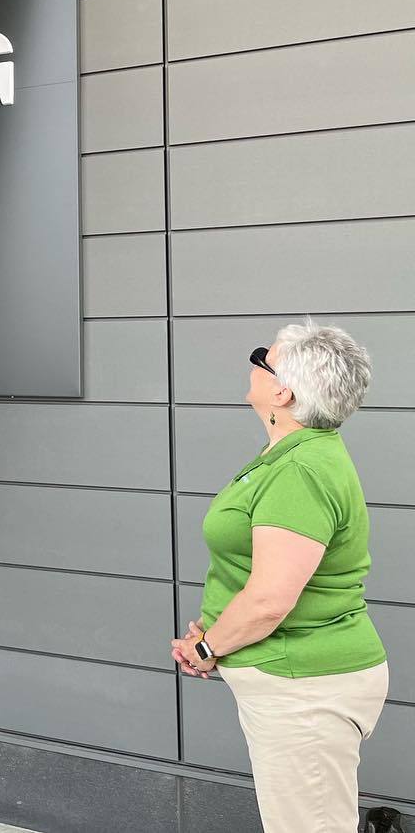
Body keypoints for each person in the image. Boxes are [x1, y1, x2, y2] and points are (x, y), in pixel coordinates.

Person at [173, 322, 387, 833]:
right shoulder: (290, 456)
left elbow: (269, 599)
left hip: (306, 689)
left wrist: (207, 649)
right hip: (297, 680)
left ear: (281, 390)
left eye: (261, 358)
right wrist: (212, 629)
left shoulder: (300, 471)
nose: (252, 365)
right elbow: (249, 567)